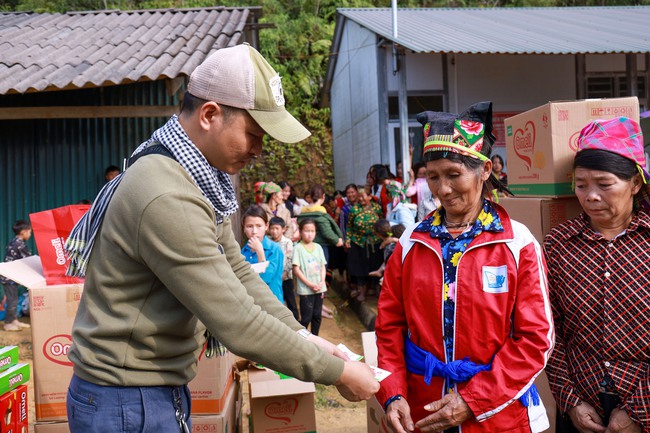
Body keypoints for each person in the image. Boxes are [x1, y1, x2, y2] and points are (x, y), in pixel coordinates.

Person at [63, 43, 378, 433]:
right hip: (128, 400)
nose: (259, 150)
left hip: (144, 391)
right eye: (253, 133)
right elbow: (237, 322)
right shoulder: (167, 194)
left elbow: (239, 273)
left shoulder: (193, 178)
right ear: (210, 114)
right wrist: (337, 372)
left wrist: (302, 334)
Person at [375, 101, 553, 433]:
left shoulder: (517, 244)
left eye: (454, 174)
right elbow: (388, 328)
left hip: (497, 414)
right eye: (433, 176)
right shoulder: (411, 243)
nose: (442, 189)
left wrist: (474, 400)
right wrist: (392, 394)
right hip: (423, 409)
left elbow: (535, 339)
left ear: (485, 170)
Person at [544, 117, 650, 433]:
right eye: (581, 185)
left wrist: (639, 409)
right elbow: (549, 328)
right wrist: (570, 401)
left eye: (604, 184)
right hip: (581, 405)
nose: (590, 196)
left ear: (635, 184)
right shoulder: (558, 244)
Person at [345, 185, 384, 302]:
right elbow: (349, 226)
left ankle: (377, 291)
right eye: (359, 197)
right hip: (358, 243)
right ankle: (362, 292)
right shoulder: (354, 210)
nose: (361, 199)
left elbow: (382, 223)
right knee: (359, 269)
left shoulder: (377, 208)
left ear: (370, 197)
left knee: (376, 266)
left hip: (375, 243)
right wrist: (347, 239)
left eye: (363, 196)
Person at [241, 205, 284, 303]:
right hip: (252, 303)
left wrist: (260, 252)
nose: (254, 231)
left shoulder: (274, 249)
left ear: (266, 226)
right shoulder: (244, 251)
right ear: (244, 228)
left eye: (259, 226)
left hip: (272, 303)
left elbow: (266, 278)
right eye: (249, 226)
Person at [292, 218, 327, 336]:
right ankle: (303, 340)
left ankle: (315, 338)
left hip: (320, 288)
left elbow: (322, 266)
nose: (310, 234)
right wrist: (310, 284)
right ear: (300, 231)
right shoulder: (298, 248)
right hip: (306, 289)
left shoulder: (318, 247)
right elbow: (296, 270)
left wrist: (322, 281)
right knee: (306, 317)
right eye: (307, 231)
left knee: (317, 316)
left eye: (312, 231)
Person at [1, 220, 32, 332]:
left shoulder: (13, 242)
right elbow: (28, 260)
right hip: (9, 278)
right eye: (29, 232)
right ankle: (8, 323)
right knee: (12, 301)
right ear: (23, 232)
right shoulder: (19, 244)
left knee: (13, 299)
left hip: (11, 277)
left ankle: (14, 320)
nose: (30, 234)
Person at [268, 216, 299, 321]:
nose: (274, 231)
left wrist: (285, 272)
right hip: (273, 278)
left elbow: (290, 258)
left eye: (277, 228)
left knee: (291, 301)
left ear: (283, 229)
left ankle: (297, 325)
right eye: (272, 228)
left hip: (285, 278)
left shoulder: (287, 242)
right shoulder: (269, 243)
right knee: (276, 301)